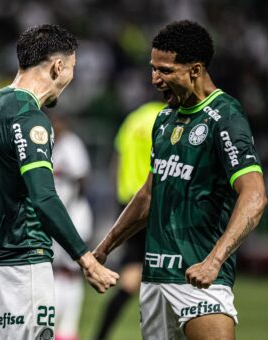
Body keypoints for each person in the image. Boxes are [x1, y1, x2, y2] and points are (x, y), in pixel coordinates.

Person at [93, 20, 268, 340]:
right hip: (155, 279)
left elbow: (255, 196)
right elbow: (149, 194)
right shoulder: (163, 120)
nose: (154, 78)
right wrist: (104, 249)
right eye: (153, 68)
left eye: (165, 70)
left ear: (195, 70)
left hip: (199, 281)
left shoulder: (225, 116)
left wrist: (214, 262)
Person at [0, 24, 119, 340]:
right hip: (22, 259)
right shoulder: (29, 118)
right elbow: (44, 197)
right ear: (58, 67)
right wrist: (85, 258)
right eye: (72, 68)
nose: (70, 78)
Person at [94, 101, 165, 340]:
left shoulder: (132, 119)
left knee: (131, 275)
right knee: (169, 272)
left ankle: (100, 335)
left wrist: (120, 200)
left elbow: (117, 161)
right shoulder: (168, 119)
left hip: (129, 205)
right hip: (155, 202)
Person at [49, 113, 93, 340]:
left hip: (73, 217)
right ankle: (62, 330)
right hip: (58, 217)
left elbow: (81, 178)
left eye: (57, 122)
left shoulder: (71, 144)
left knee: (71, 271)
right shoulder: (51, 145)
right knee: (57, 271)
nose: (55, 126)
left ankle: (66, 330)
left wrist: (67, 208)